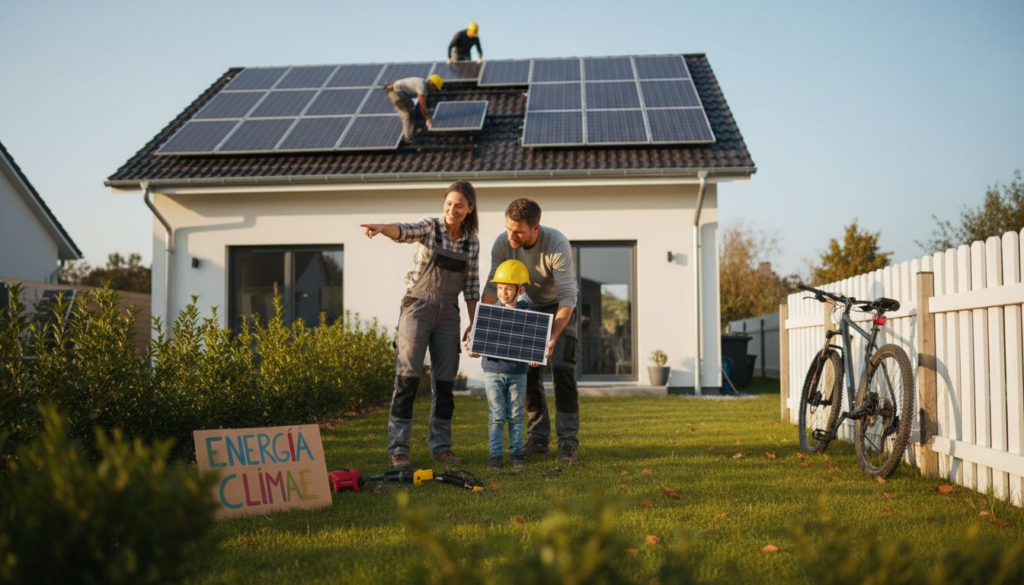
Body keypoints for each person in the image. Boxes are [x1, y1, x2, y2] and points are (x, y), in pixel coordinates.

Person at [360, 181, 480, 468]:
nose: (453, 209)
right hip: (417, 308)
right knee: (407, 378)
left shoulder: (471, 242)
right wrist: (381, 227)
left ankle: (441, 447)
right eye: (449, 203)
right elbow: (404, 231)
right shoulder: (431, 227)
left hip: (450, 314)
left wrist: (475, 323)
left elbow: (472, 288)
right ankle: (398, 448)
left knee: (445, 383)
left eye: (459, 205)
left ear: (470, 209)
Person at [481, 198, 580, 463]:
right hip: (527, 307)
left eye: (518, 231)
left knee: (561, 369)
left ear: (535, 228)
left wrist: (553, 336)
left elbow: (568, 298)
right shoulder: (503, 243)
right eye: (508, 228)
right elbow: (493, 287)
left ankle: (568, 442)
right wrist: (482, 325)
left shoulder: (557, 244)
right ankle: (538, 439)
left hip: (560, 308)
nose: (511, 236)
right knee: (527, 372)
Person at [468, 259, 535, 469]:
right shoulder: (488, 312)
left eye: (508, 288)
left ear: (520, 289)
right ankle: (495, 455)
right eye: (499, 288)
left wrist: (535, 354)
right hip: (493, 371)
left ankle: (516, 453)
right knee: (496, 415)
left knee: (515, 414)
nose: (503, 292)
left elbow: (535, 341)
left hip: (518, 372)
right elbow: (477, 340)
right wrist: (475, 348)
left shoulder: (529, 314)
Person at [384, 74, 443, 143]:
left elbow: (420, 105)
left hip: (398, 92)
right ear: (432, 83)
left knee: (412, 112)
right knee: (406, 114)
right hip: (396, 92)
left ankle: (410, 135)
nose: (434, 90)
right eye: (435, 88)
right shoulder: (422, 86)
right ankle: (408, 138)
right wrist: (427, 118)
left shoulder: (424, 87)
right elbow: (422, 107)